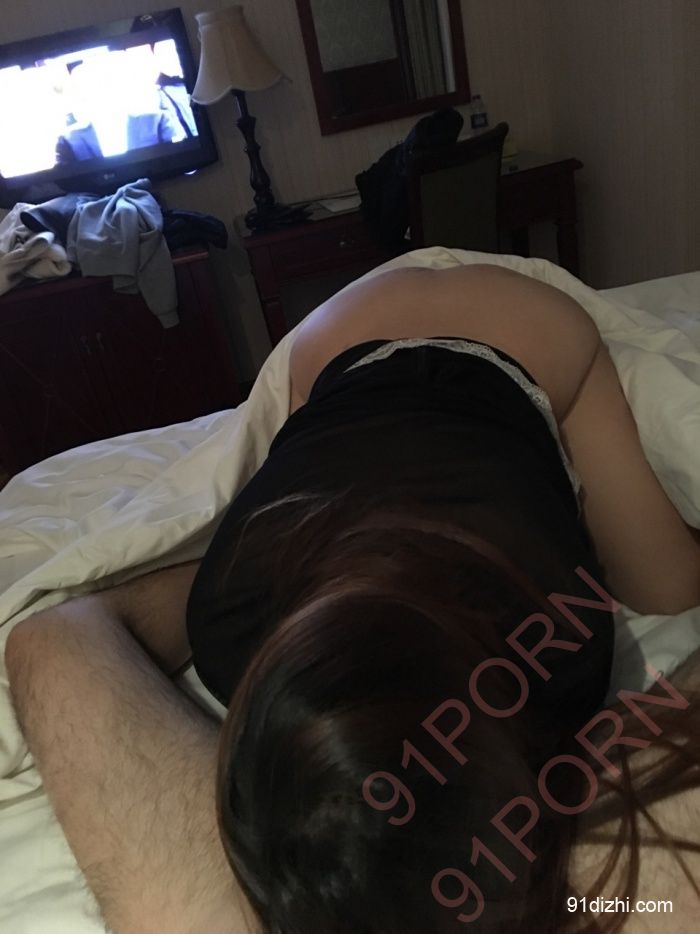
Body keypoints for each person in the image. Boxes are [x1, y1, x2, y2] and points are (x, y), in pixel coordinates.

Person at [5, 263, 700, 933]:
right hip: (427, 337)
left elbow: (59, 637)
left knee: (666, 584)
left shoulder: (564, 653)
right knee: (667, 584)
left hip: (366, 340)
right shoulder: (226, 620)